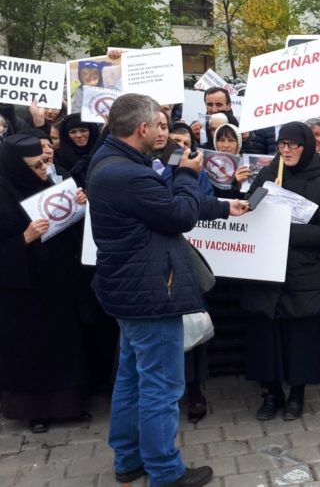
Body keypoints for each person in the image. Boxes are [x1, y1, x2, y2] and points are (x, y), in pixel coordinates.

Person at [89, 93, 248, 487]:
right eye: (157, 125)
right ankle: (165, 471)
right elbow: (177, 214)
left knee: (132, 378)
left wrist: (224, 207)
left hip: (130, 290)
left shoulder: (113, 161)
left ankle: (128, 459)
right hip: (151, 293)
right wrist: (188, 174)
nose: (163, 132)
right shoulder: (129, 174)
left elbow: (160, 205)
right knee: (161, 386)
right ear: (141, 128)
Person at [242, 122, 320, 422]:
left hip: (302, 272)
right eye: (282, 144)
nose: (286, 150)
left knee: (300, 337)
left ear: (306, 147)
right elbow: (248, 211)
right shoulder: (268, 174)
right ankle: (271, 393)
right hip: (266, 270)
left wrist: (283, 227)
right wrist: (255, 200)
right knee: (266, 335)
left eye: (293, 144)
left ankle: (297, 394)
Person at [0, 134, 90, 434]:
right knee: (32, 350)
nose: (43, 169)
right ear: (17, 166)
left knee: (65, 343)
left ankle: (69, 404)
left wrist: (79, 206)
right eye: (35, 166)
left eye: (44, 163)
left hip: (58, 282)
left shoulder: (49, 182)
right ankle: (35, 410)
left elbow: (67, 226)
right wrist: (23, 240)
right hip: (22, 291)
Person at [54, 113, 101, 186]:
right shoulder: (58, 157)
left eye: (83, 130)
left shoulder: (102, 152)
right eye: (73, 132)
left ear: (92, 131)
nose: (78, 135)